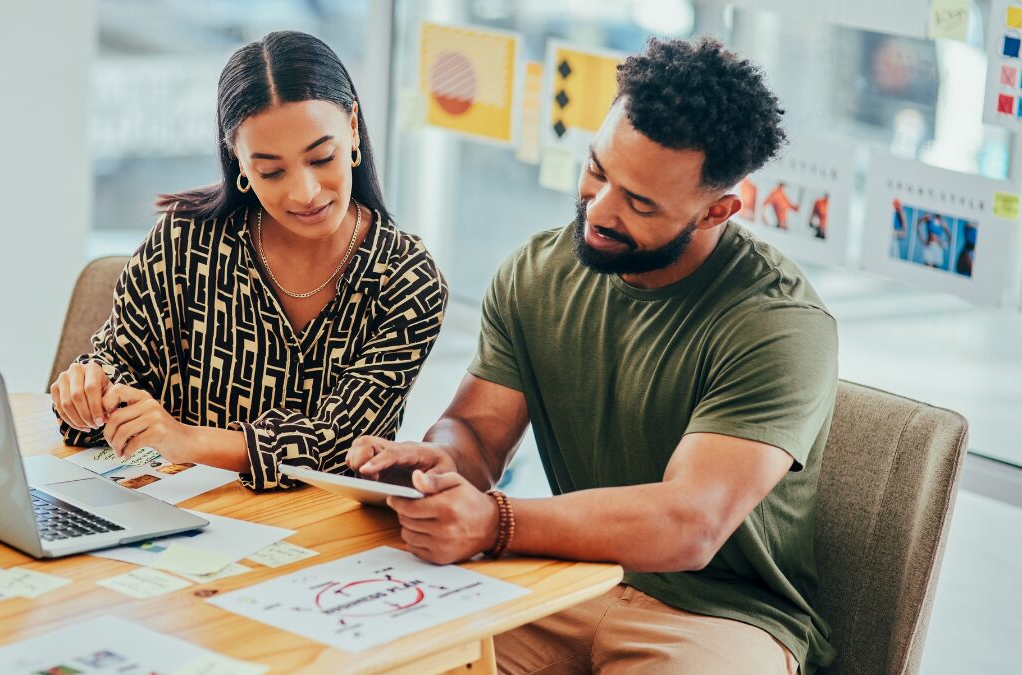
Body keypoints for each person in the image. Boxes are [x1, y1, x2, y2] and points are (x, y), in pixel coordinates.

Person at [349, 37, 836, 674]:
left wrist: (495, 522)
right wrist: (439, 462)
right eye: (599, 170)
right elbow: (477, 433)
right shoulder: (537, 272)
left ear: (718, 209)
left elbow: (690, 522)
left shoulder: (779, 324)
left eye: (640, 203)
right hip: (566, 579)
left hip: (721, 617)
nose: (598, 212)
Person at [50, 31, 448, 491]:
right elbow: (120, 371)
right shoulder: (184, 241)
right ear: (237, 161)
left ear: (353, 126)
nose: (306, 192)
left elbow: (341, 447)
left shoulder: (407, 278)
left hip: (324, 539)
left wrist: (185, 440)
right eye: (271, 171)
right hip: (178, 513)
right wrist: (89, 393)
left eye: (321, 157)